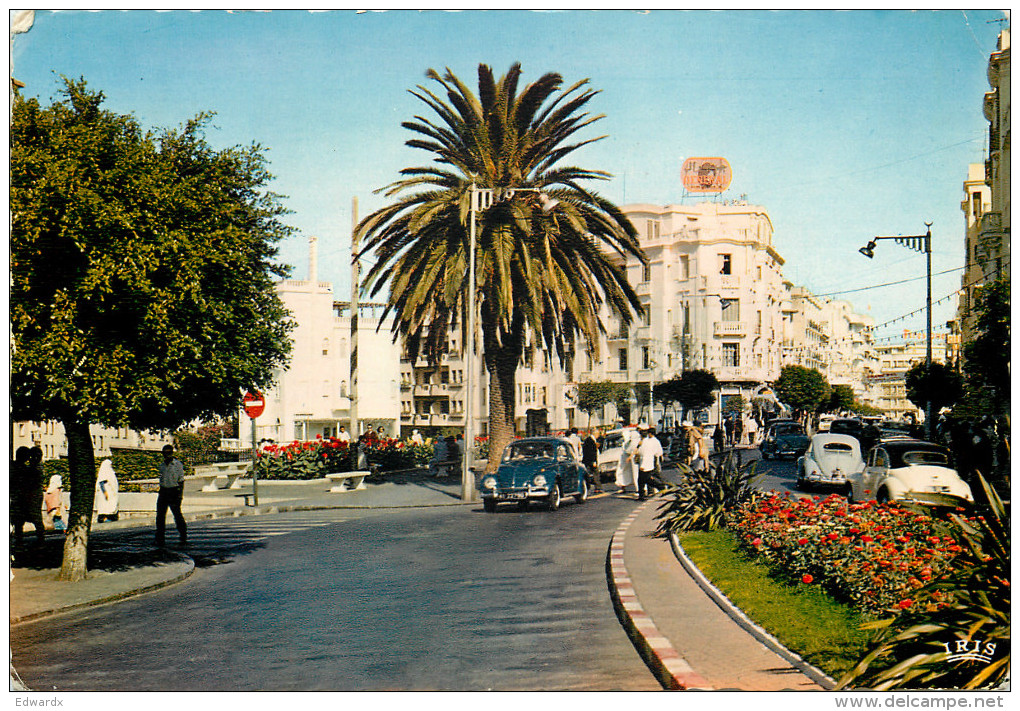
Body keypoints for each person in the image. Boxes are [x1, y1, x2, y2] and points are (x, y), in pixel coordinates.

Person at [11, 446, 45, 546]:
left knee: (20, 520)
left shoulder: (28, 469)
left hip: (26, 497)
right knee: (32, 520)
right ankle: (39, 540)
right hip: (29, 497)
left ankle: (20, 540)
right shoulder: (33, 469)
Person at [156, 444, 187, 547]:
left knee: (177, 514)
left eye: (168, 453)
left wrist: (180, 496)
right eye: (165, 453)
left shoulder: (177, 465)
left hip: (174, 491)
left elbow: (181, 481)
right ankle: (160, 536)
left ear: (172, 453)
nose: (167, 456)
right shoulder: (162, 466)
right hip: (164, 491)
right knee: (160, 515)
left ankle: (183, 534)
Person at [637, 427, 663, 501]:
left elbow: (645, 454)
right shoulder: (648, 442)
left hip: (646, 464)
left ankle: (661, 487)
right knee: (643, 480)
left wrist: (643, 465)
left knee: (646, 480)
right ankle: (642, 495)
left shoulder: (646, 443)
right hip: (648, 463)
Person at [614, 427, 640, 495]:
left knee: (635, 473)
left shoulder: (634, 441)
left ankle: (639, 489)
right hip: (626, 458)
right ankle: (623, 486)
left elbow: (631, 450)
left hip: (632, 458)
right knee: (623, 471)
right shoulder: (627, 442)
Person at [95, 458, 119, 523]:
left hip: (111, 491)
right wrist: (105, 492)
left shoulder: (110, 472)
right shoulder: (104, 472)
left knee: (111, 504)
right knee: (105, 505)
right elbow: (101, 482)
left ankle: (110, 517)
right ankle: (104, 518)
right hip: (106, 491)